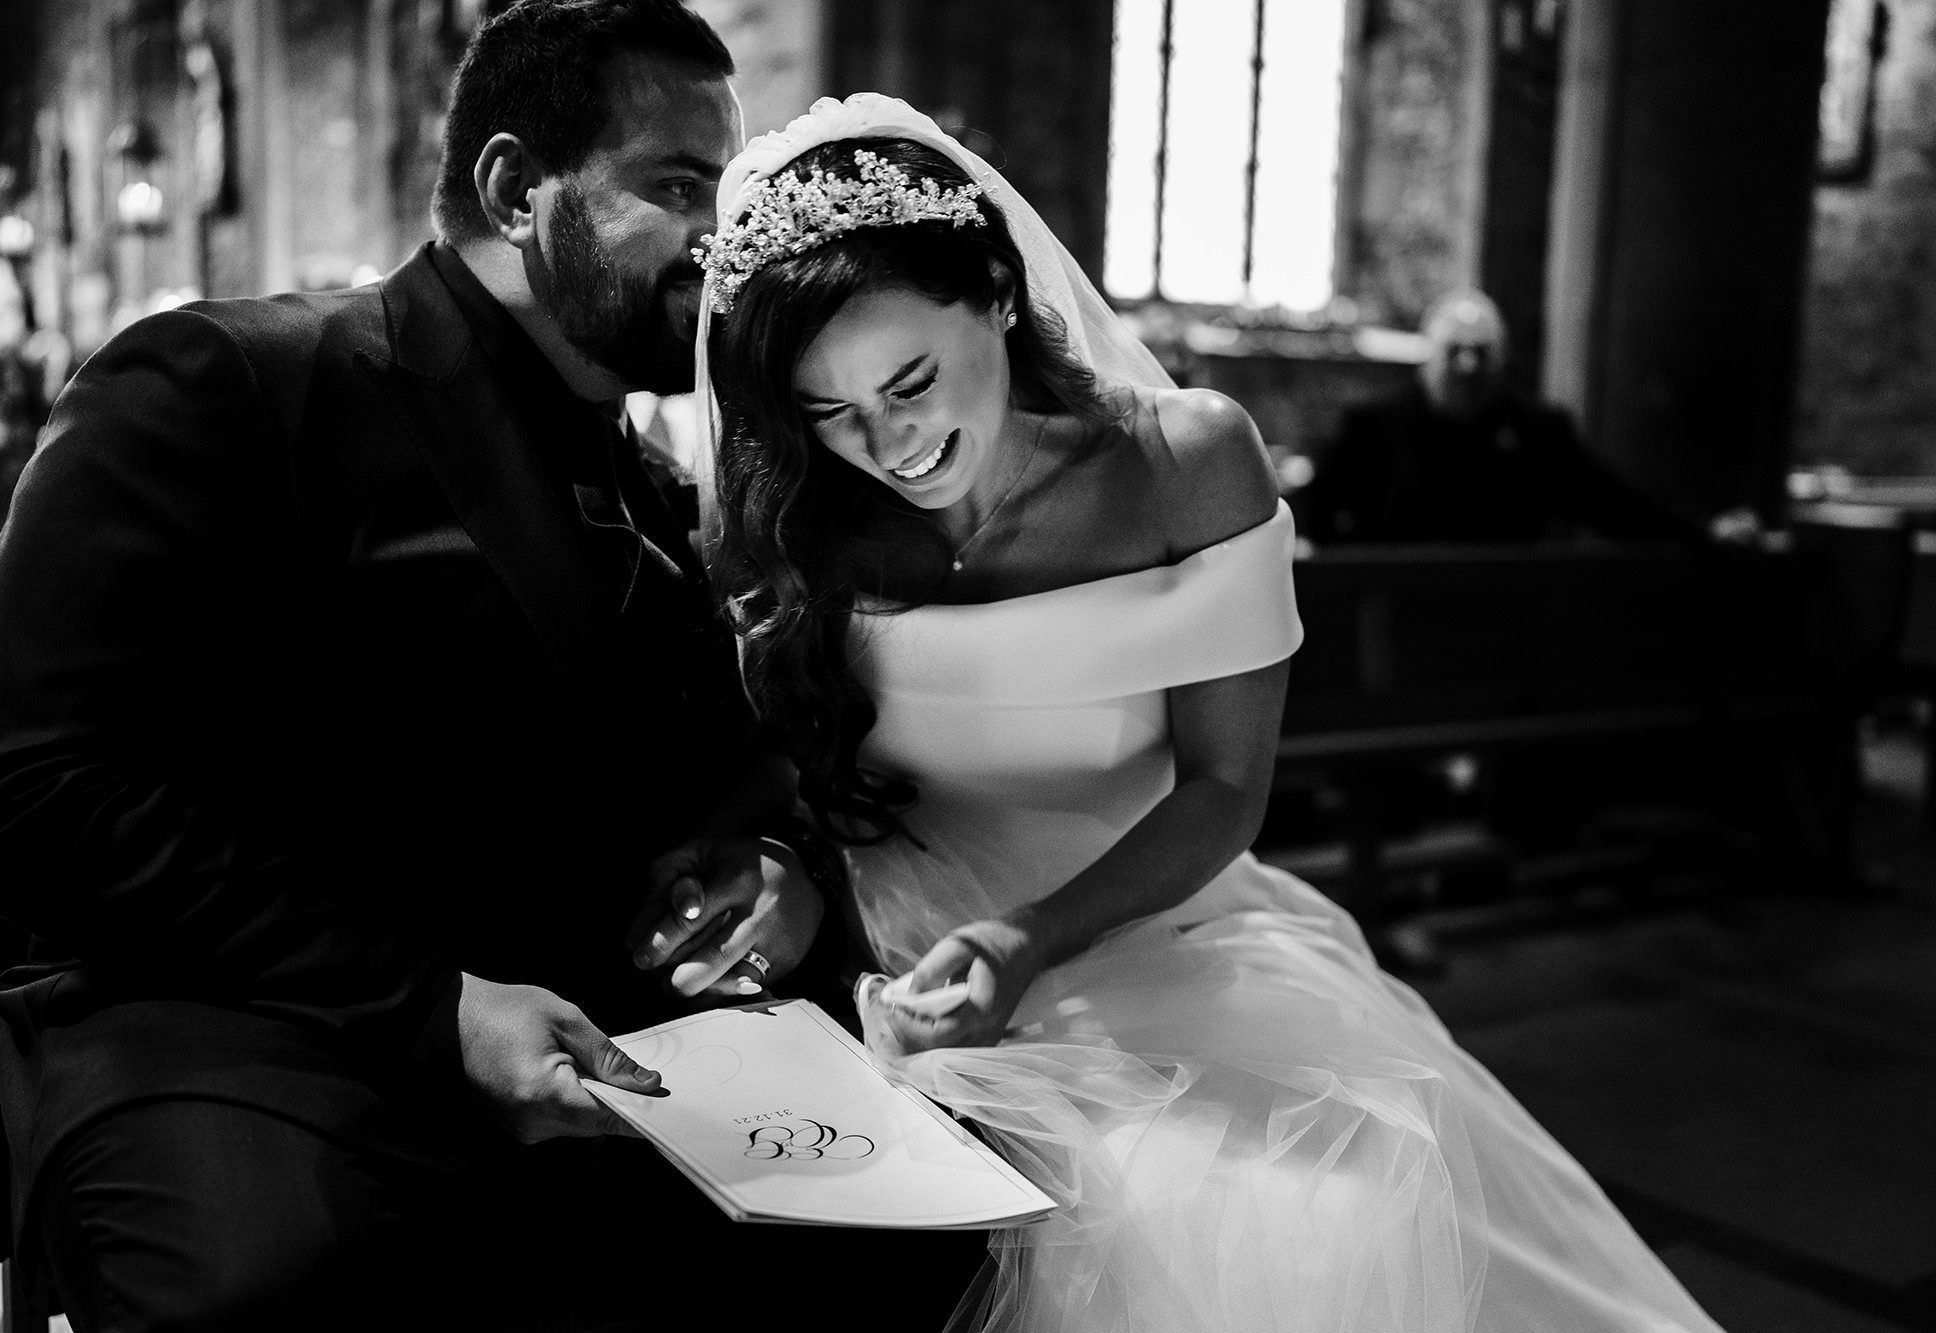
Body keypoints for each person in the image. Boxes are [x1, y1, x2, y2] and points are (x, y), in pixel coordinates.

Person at [0, 9, 978, 1329]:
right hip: (254, 1036)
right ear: (512, 186)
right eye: (673, 187)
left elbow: (727, 777)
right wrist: (430, 1008)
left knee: (919, 1239)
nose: (725, 242)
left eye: (728, 194)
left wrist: (769, 874)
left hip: (580, 1050)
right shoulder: (234, 384)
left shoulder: (650, 490)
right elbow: (25, 798)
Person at [694, 94, 1726, 1331]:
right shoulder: (801, 521)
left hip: (1144, 929)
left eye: (910, 378)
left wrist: (1031, 939)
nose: (890, 440)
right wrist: (780, 878)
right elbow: (783, 784)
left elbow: (1225, 789)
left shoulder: (1184, 463)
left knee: (1249, 1208)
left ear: (997, 294)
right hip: (894, 961)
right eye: (830, 412)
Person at [1294, 288, 1693, 545]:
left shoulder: (1538, 431)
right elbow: (1314, 510)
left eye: (1481, 353)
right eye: (1455, 352)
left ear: (1499, 361)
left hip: (1504, 620)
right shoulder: (1371, 428)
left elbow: (1613, 503)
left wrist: (1703, 535)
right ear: (1430, 359)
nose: (1468, 367)